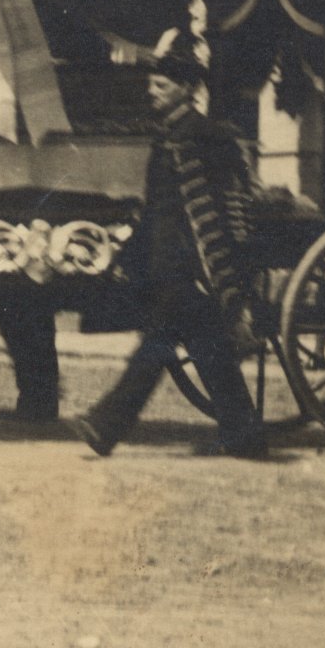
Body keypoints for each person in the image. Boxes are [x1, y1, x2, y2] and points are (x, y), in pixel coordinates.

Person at [65, 44, 270, 460]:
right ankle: (246, 436)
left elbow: (233, 204)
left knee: (157, 347)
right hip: (168, 267)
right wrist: (127, 261)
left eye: (161, 85)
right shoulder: (167, 137)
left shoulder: (208, 136)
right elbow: (155, 211)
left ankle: (106, 425)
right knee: (209, 351)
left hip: (194, 269)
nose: (152, 91)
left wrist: (229, 269)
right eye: (152, 84)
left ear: (186, 89)